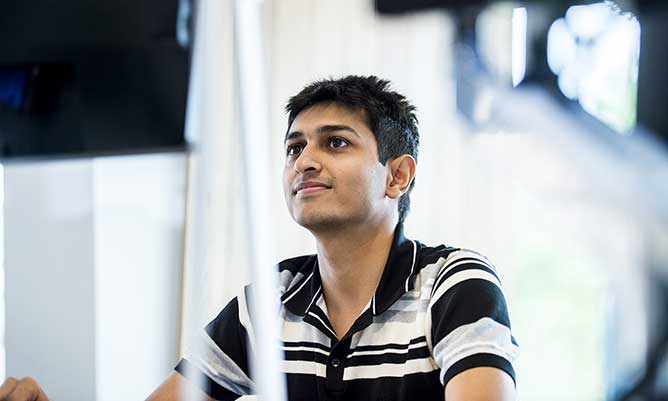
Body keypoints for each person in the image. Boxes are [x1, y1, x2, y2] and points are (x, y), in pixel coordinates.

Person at [0, 76, 519, 401]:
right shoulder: (270, 301)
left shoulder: (453, 285)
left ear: (397, 176)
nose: (305, 161)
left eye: (335, 143)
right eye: (294, 148)